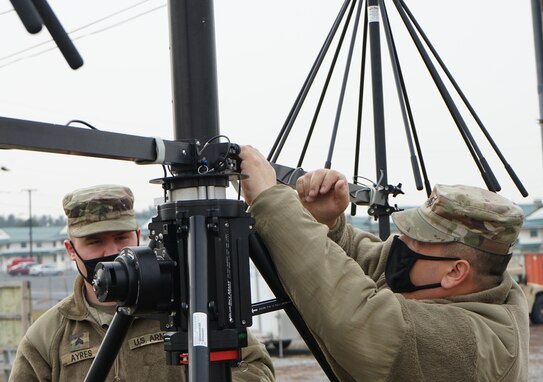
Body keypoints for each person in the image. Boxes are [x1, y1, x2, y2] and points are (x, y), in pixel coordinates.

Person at [239, 145, 529, 382]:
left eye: (417, 239)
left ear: (455, 271)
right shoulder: (481, 285)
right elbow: (371, 261)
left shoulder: (470, 345)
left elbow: (354, 314)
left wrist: (272, 200)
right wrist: (326, 223)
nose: (400, 244)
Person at [9, 184, 275, 381]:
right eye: (95, 242)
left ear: (138, 236)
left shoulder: (184, 305)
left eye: (121, 238)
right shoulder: (48, 336)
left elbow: (255, 366)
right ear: (70, 249)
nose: (110, 252)